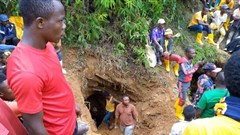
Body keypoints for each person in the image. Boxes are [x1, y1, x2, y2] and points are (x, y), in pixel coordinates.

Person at [7, 0, 80, 134]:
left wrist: (70, 106)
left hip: (68, 124)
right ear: (41, 22)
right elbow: (35, 128)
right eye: (60, 21)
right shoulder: (26, 73)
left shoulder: (46, 46)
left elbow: (54, 86)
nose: (64, 26)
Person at [183, 49, 240, 135]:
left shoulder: (197, 129)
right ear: (209, 72)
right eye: (214, 72)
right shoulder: (205, 82)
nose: (216, 74)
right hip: (200, 103)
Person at [174, 46, 204, 120]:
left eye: (194, 53)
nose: (194, 54)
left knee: (180, 95)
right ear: (187, 53)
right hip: (182, 83)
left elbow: (190, 69)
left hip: (187, 82)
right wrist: (197, 66)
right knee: (183, 99)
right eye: (192, 53)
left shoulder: (190, 60)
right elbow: (187, 72)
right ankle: (178, 113)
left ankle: (176, 106)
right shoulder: (183, 62)